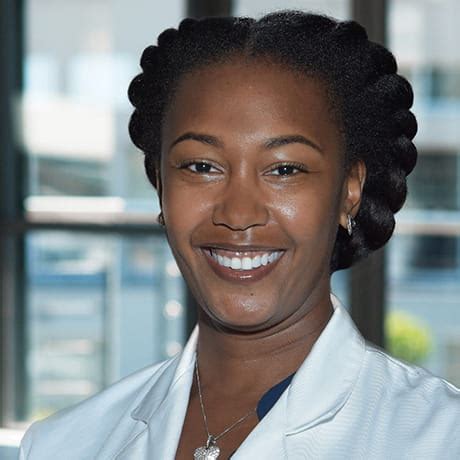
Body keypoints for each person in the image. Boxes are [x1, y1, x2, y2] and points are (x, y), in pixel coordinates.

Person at [20, 10, 459, 460]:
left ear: (349, 190)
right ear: (160, 183)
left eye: (285, 170)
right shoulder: (64, 444)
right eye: (201, 166)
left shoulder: (441, 439)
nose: (238, 213)